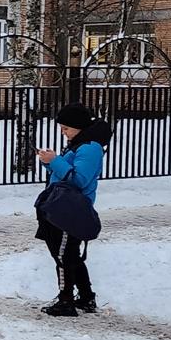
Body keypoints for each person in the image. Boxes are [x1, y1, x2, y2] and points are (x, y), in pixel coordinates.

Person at [35, 102, 111, 317]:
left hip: (70, 211)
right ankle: (86, 297)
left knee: (63, 256)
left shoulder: (89, 148)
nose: (63, 132)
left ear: (79, 127)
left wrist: (55, 161)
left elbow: (78, 180)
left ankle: (66, 299)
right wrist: (49, 162)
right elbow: (65, 173)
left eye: (66, 128)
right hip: (62, 207)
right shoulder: (79, 145)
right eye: (61, 128)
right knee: (70, 255)